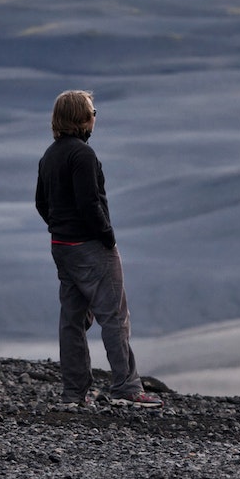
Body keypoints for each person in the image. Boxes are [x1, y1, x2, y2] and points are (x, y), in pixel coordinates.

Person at [34, 89, 162, 409]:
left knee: (73, 320)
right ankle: (127, 387)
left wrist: (59, 227)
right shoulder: (83, 155)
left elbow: (41, 202)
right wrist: (107, 236)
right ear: (81, 118)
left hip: (61, 246)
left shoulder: (49, 155)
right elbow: (89, 204)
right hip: (90, 247)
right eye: (92, 111)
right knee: (114, 316)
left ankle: (74, 394)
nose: (95, 117)